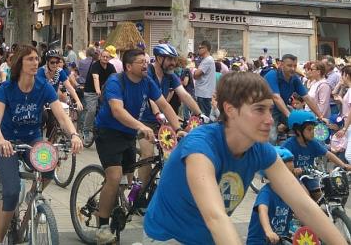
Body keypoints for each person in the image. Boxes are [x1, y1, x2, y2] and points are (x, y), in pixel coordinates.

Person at [143, 72, 348, 245]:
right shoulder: (201, 146)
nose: (269, 120)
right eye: (259, 109)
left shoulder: (260, 149)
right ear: (230, 109)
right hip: (168, 237)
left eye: (269, 109)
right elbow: (215, 217)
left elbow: (304, 206)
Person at [0, 45, 83, 245]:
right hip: (8, 143)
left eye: (36, 59)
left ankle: (32, 198)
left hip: (32, 140)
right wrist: (0, 139)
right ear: (20, 63)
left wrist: (74, 134)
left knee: (50, 166)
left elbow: (61, 115)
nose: (35, 62)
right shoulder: (7, 88)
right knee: (11, 192)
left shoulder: (44, 87)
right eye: (30, 59)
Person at [94, 49, 179, 244]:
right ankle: (102, 226)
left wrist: (178, 128)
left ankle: (121, 201)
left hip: (128, 133)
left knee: (128, 177)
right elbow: (117, 110)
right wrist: (141, 126)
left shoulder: (147, 82)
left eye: (146, 61)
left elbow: (164, 105)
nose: (145, 65)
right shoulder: (116, 81)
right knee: (114, 177)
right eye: (141, 62)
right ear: (128, 67)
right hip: (108, 132)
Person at [138, 44, 203, 189]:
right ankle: (141, 193)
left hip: (162, 121)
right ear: (159, 58)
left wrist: (200, 114)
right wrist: (157, 113)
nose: (174, 63)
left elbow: (185, 95)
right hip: (143, 121)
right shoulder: (147, 73)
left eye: (174, 59)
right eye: (170, 60)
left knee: (171, 156)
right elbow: (151, 98)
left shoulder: (171, 76)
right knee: (148, 156)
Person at [283, 110, 351, 201]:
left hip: (310, 176)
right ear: (298, 131)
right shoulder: (288, 145)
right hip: (294, 177)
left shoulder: (313, 143)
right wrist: (293, 170)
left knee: (322, 197)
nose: (313, 132)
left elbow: (328, 154)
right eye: (309, 129)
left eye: (314, 129)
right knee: (306, 198)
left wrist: (343, 165)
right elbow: (281, 163)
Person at [264, 54, 325, 144]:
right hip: (267, 110)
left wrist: (320, 116)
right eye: (289, 65)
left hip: (282, 108)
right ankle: (269, 156)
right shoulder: (272, 75)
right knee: (271, 137)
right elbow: (276, 98)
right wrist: (290, 116)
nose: (293, 68)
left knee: (305, 125)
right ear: (281, 64)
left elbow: (307, 98)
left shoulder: (295, 78)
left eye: (295, 66)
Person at [246, 147, 295, 245]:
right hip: (260, 241)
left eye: (291, 174)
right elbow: (262, 211)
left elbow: (298, 212)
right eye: (286, 174)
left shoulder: (288, 193)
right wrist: (268, 231)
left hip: (280, 240)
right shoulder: (266, 192)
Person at [81, 49, 116, 145]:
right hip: (91, 92)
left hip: (104, 92)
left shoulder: (110, 67)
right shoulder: (95, 66)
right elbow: (95, 78)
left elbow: (115, 78)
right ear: (100, 56)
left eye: (107, 57)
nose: (105, 58)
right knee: (91, 110)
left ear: (109, 58)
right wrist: (97, 90)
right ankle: (86, 131)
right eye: (103, 56)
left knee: (110, 110)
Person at [193, 40, 216, 117]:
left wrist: (194, 72)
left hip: (204, 94)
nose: (198, 50)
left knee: (204, 118)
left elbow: (196, 74)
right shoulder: (207, 60)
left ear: (206, 49)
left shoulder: (208, 60)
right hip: (204, 93)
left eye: (200, 48)